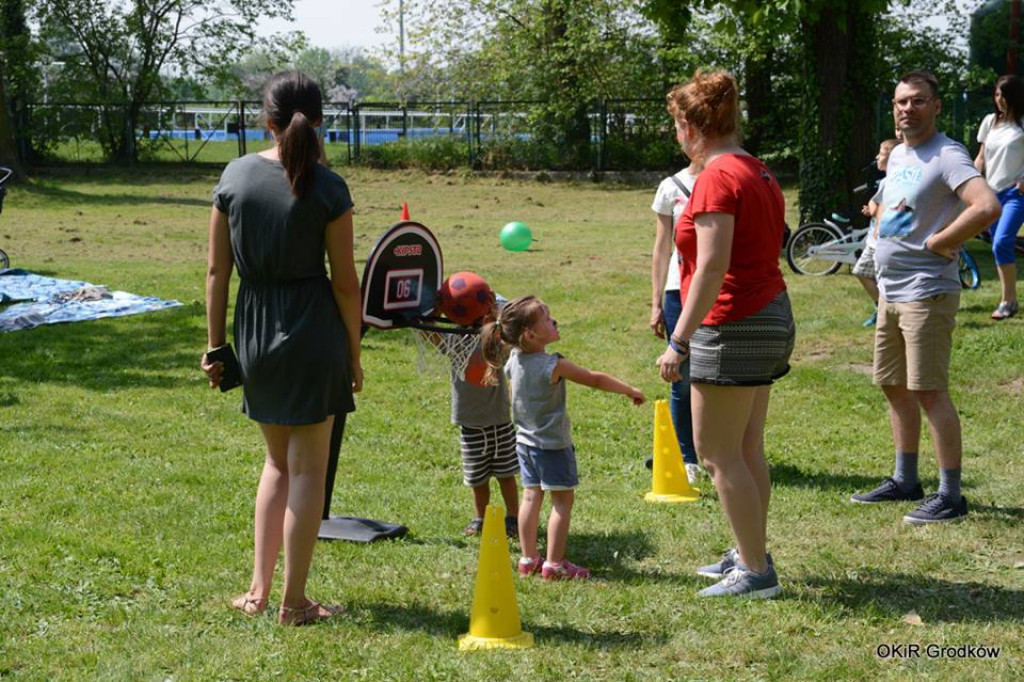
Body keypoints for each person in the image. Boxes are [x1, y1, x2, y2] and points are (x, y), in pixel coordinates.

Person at [202, 71, 363, 626]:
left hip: (254, 333)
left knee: (276, 463)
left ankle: (258, 592)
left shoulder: (234, 175)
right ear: (319, 121)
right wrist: (353, 353)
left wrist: (217, 348)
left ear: (264, 120)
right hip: (312, 332)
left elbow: (216, 272)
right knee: (307, 470)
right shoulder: (330, 187)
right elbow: (346, 284)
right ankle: (294, 604)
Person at [657, 71, 794, 599]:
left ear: (693, 127)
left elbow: (712, 267)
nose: (677, 136)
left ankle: (756, 572)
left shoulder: (716, 177)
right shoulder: (758, 169)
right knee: (746, 447)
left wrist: (679, 340)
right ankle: (749, 550)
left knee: (716, 453)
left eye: (677, 125)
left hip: (734, 321)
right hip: (767, 314)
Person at [850, 70, 1000, 524]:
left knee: (929, 391)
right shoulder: (899, 154)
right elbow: (889, 202)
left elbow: (986, 205)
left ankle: (951, 496)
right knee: (893, 385)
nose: (907, 109)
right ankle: (905, 480)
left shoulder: (947, 154)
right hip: (891, 290)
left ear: (935, 105)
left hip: (926, 290)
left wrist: (941, 240)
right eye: (901, 102)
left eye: (917, 101)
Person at [480, 295, 644, 580]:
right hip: (552, 446)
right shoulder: (552, 364)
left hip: (524, 442)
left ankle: (528, 559)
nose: (553, 321)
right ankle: (554, 565)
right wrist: (629, 389)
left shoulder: (514, 358)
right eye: (546, 318)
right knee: (562, 502)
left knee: (530, 497)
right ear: (530, 335)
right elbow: (594, 379)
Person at [437, 297, 521, 539]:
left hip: (499, 423)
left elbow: (512, 331)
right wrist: (435, 310)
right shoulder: (454, 341)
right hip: (470, 426)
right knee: (477, 480)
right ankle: (481, 518)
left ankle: (513, 518)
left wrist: (494, 310)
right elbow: (432, 336)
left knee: (506, 475)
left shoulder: (494, 340)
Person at [648, 158, 703, 482]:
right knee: (683, 373)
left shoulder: (731, 178)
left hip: (721, 288)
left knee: (717, 374)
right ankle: (686, 458)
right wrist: (656, 303)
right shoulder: (671, 187)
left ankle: (716, 451)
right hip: (676, 290)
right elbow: (661, 249)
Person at [974, 74, 1024, 320]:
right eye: (996, 94)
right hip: (991, 194)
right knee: (998, 245)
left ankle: (1008, 301)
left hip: (1016, 193)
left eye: (1004, 95)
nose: (999, 100)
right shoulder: (989, 122)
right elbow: (981, 158)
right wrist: (971, 182)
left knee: (1001, 242)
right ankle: (1009, 300)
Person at [852, 139, 900, 327]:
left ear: (892, 159)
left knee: (877, 278)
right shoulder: (885, 181)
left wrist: (874, 210)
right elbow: (875, 201)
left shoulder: (895, 182)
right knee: (863, 273)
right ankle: (882, 308)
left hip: (882, 241)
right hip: (874, 241)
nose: (877, 157)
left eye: (881, 154)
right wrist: (872, 209)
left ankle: (886, 312)